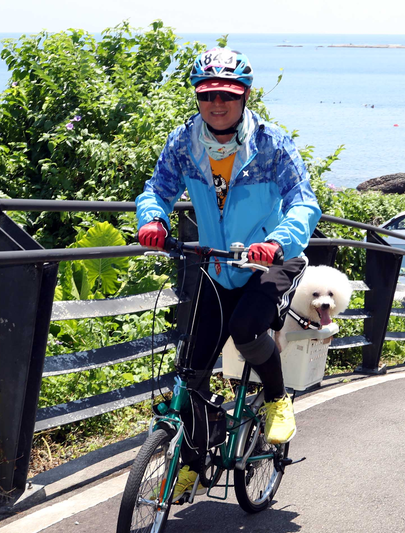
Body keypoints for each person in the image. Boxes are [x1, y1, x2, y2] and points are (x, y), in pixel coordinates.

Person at [135, 47, 321, 499]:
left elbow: (304, 201)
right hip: (218, 264)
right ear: (197, 96)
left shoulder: (271, 143)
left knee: (246, 328)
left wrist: (277, 242)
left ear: (245, 97)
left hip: (273, 260)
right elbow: (157, 189)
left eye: (228, 95)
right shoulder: (184, 143)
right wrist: (151, 219)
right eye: (208, 94)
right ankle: (191, 464)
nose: (217, 103)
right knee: (191, 373)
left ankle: (277, 399)